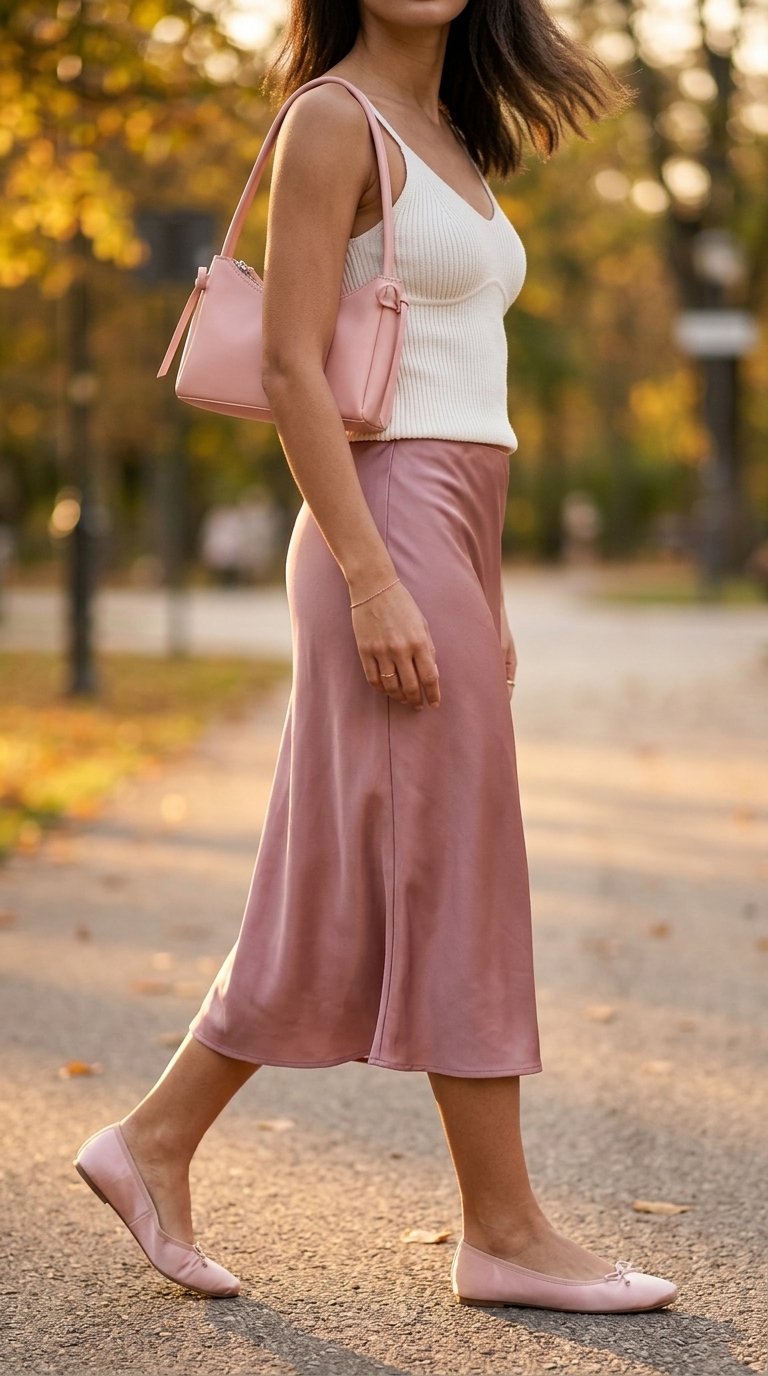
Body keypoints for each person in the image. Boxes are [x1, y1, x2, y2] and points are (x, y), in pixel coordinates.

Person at [75, 0, 678, 1313]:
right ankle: (505, 1230)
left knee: (346, 880)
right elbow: (294, 368)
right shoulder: (330, 120)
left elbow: (472, 379)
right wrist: (374, 579)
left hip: (450, 521)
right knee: (457, 864)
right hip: (383, 514)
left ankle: (154, 1142)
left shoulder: (453, 135)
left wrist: (485, 589)